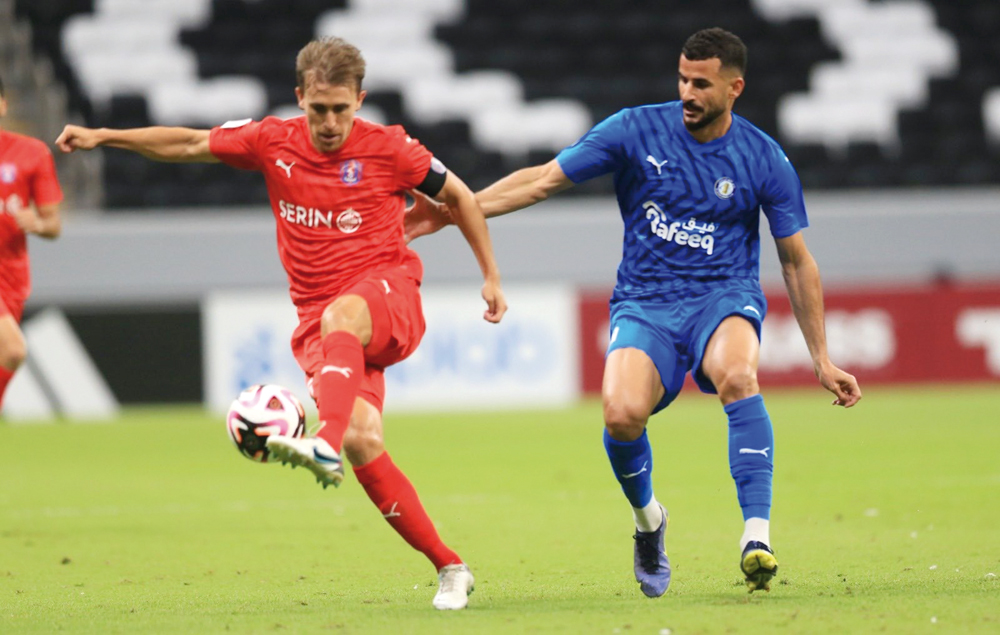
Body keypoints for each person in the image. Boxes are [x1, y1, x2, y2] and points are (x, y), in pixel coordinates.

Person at [405, 27, 862, 596]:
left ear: (734, 88)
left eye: (702, 83)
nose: (688, 92)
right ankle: (649, 521)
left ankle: (756, 537)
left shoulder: (763, 158)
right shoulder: (634, 129)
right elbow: (543, 180)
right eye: (682, 79)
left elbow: (796, 261)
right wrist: (453, 209)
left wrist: (821, 358)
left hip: (723, 297)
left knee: (739, 376)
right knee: (621, 415)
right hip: (645, 303)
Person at [56, 37, 507, 610]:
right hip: (321, 325)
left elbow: (461, 197)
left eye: (341, 109)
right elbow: (191, 142)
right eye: (318, 109)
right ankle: (450, 566)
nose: (329, 122)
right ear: (300, 99)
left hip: (388, 295)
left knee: (342, 332)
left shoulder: (391, 148)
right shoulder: (273, 141)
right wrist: (103, 138)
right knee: (364, 439)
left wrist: (490, 275)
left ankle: (321, 442)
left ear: (360, 101)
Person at [0, 74, 64, 413]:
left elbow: (54, 225)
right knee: (13, 349)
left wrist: (36, 223)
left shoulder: (31, 153)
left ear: (3, 104)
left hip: (11, 277)